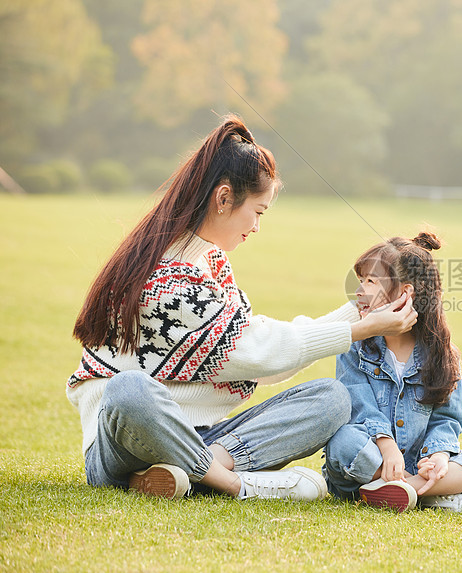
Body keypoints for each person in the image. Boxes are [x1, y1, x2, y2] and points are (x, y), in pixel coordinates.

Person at [67, 115, 417, 501]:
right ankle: (232, 483)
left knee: (331, 399)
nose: (257, 227)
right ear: (223, 199)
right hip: (125, 444)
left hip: (202, 437)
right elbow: (254, 352)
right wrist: (358, 328)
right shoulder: (166, 277)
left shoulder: (209, 261)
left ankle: (184, 473)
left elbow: (255, 354)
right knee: (129, 390)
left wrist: (361, 310)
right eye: (258, 211)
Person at [323, 232, 462, 512]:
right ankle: (429, 494)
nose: (359, 291)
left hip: (418, 465)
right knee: (343, 443)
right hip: (372, 460)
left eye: (370, 281)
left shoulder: (444, 355)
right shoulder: (354, 347)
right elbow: (360, 408)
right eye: (361, 281)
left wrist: (440, 456)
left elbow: (446, 420)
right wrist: (387, 447)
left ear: (405, 293)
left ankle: (407, 488)